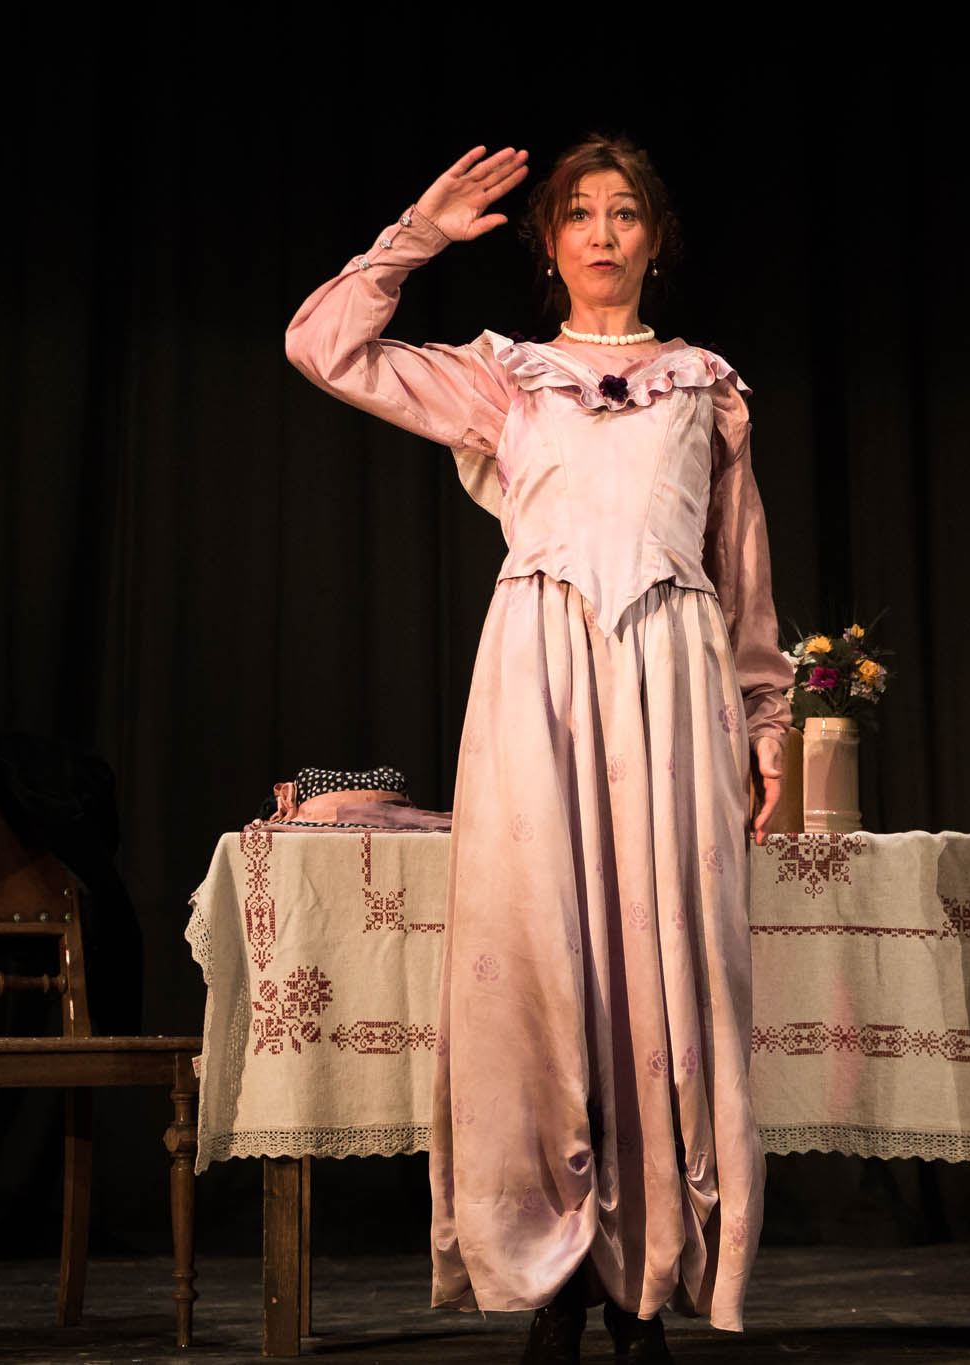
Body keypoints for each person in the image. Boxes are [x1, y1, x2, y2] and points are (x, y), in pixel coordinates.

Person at [285, 136, 790, 1365]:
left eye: (624, 214)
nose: (602, 234)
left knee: (658, 978)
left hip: (670, 684)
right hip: (540, 683)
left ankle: (644, 1282)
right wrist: (416, 234)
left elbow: (740, 573)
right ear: (548, 244)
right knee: (539, 967)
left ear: (655, 240)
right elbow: (322, 347)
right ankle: (554, 1272)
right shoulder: (506, 380)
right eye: (579, 215)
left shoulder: (703, 387)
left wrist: (765, 722)